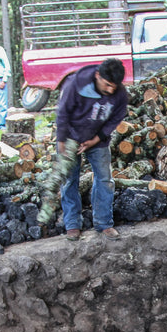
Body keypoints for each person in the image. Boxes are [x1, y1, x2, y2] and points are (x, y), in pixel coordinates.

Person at [55, 58, 129, 241]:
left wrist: (96, 139)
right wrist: (62, 141)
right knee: (69, 180)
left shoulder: (119, 93)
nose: (111, 90)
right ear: (98, 75)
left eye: (114, 86)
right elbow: (63, 112)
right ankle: (72, 224)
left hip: (97, 138)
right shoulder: (75, 85)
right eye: (107, 84)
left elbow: (116, 118)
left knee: (105, 179)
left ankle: (104, 223)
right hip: (71, 137)